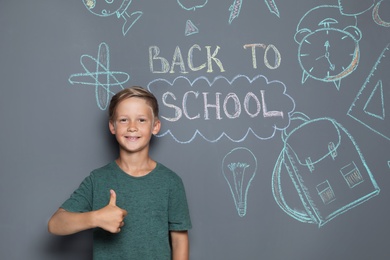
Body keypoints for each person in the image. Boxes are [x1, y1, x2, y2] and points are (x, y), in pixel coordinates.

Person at [48, 86, 192, 260]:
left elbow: (179, 241)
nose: (132, 127)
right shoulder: (98, 179)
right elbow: (55, 224)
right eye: (124, 120)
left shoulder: (171, 181)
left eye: (141, 120)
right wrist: (95, 218)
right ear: (112, 126)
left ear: (155, 126)